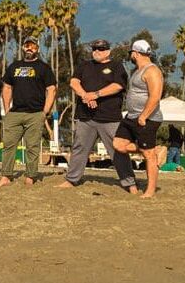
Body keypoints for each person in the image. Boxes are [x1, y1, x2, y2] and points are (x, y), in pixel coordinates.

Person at [57, 39, 137, 193]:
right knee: (79, 148)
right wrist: (85, 96)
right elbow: (74, 82)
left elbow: (118, 86)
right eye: (94, 49)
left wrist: (96, 95)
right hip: (86, 117)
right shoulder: (84, 65)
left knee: (118, 150)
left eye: (100, 49)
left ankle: (129, 182)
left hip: (110, 117)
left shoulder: (116, 66)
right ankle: (71, 179)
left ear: (108, 51)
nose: (96, 51)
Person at [0, 36, 56, 187]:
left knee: (32, 146)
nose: (29, 48)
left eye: (33, 46)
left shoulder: (44, 68)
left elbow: (51, 89)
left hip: (35, 114)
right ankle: (6, 175)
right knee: (9, 145)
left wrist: (45, 112)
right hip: (14, 114)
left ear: (37, 49)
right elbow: (7, 87)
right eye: (27, 45)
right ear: (23, 48)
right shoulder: (14, 66)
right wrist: (7, 109)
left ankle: (30, 176)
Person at [112, 39, 164, 198]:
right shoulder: (137, 70)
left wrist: (144, 116)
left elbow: (155, 96)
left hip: (146, 118)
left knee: (149, 156)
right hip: (131, 117)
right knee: (119, 144)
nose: (131, 56)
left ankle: (150, 191)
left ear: (135, 53)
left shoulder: (152, 70)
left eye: (132, 53)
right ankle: (156, 149)